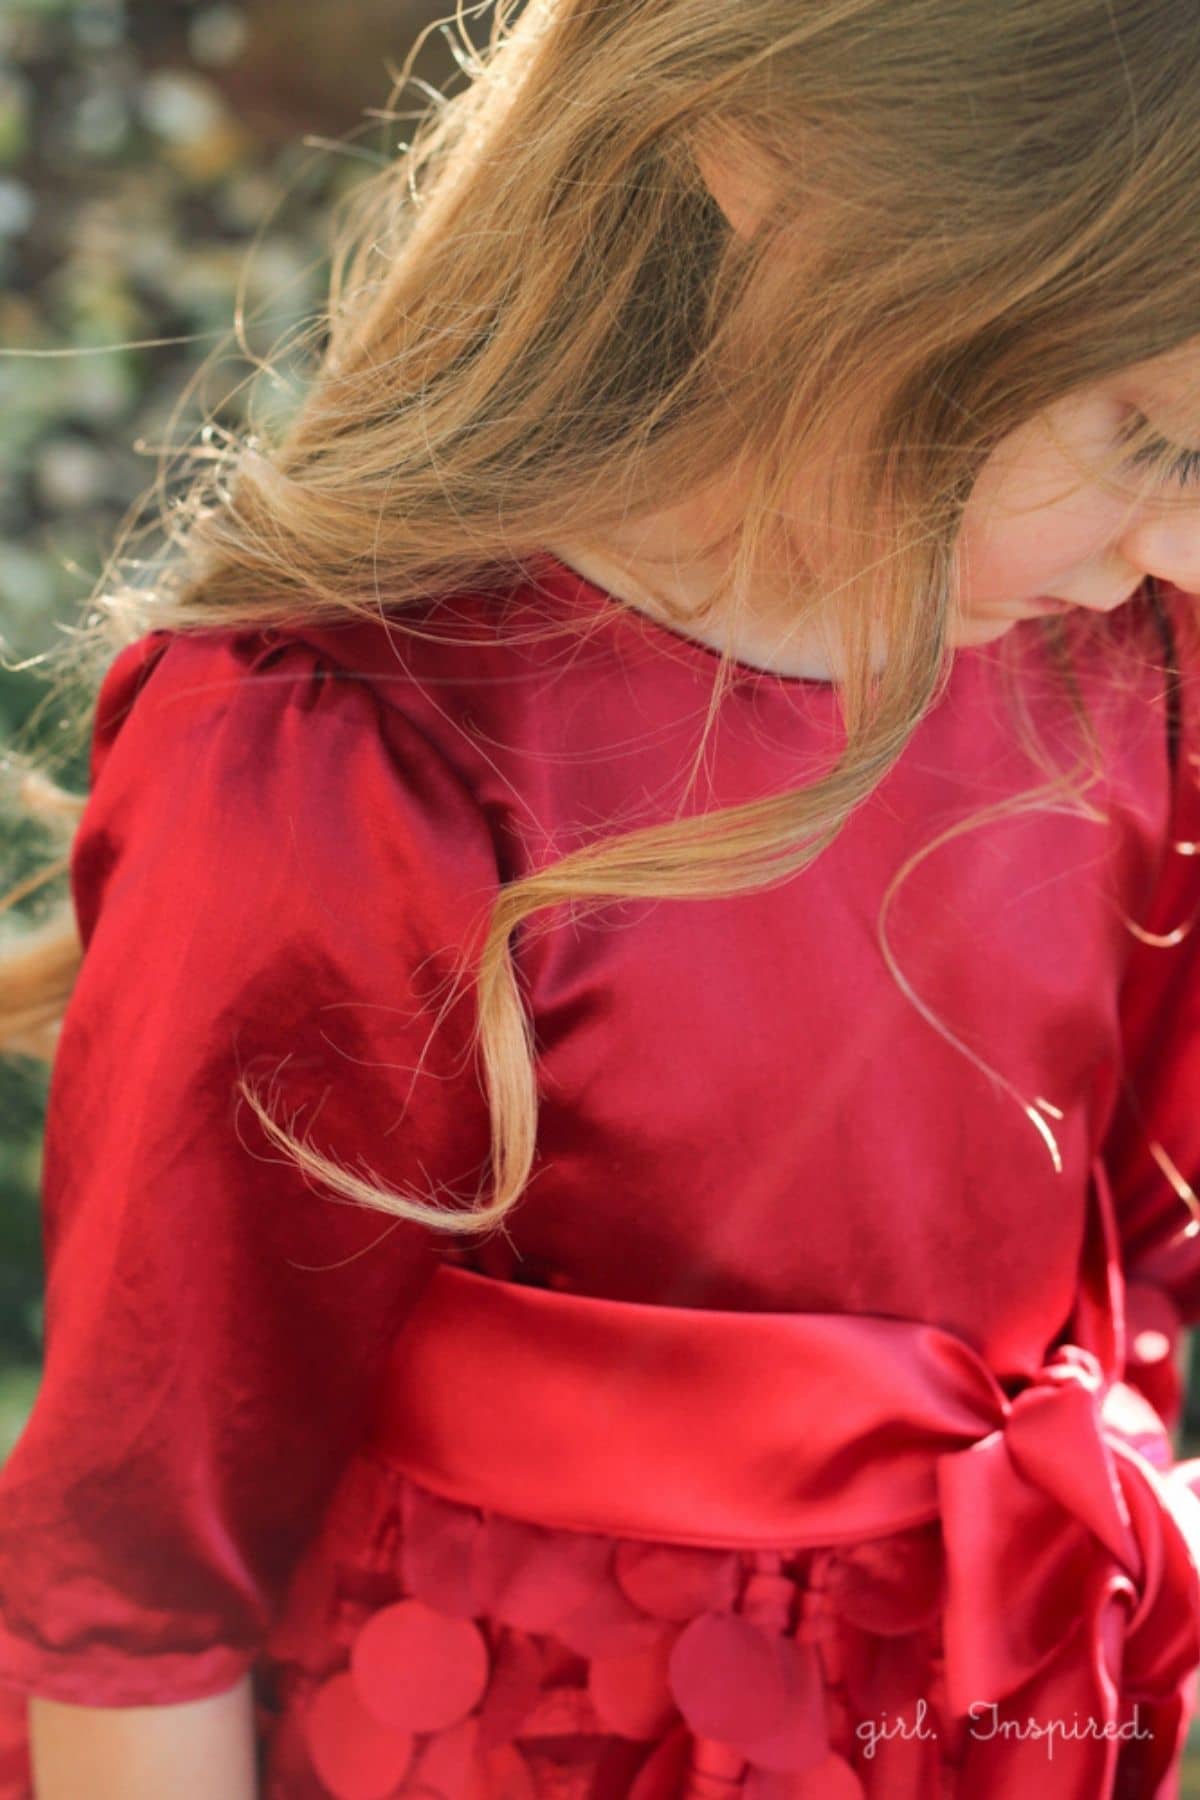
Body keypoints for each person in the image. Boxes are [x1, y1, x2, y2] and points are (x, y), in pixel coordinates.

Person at [4, 1, 1200, 1794]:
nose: (1185, 537)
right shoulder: (355, 759)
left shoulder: (1125, 662)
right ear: (790, 176)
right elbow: (138, 1592)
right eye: (1148, 435)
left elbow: (1130, 1277)